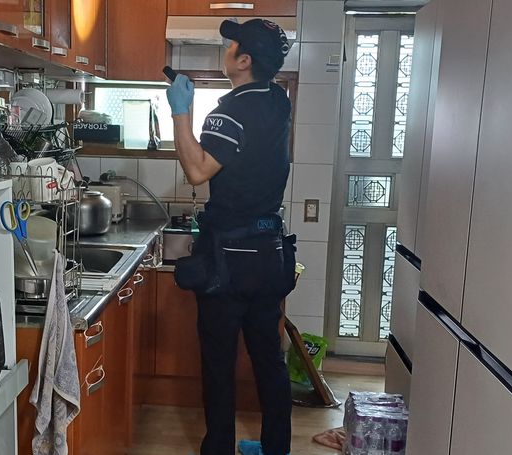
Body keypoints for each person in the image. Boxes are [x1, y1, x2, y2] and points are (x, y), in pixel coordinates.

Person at [165, 18, 294, 455]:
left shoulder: (229, 112)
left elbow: (197, 171)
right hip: (269, 254)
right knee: (269, 360)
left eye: (231, 45)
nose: (226, 50)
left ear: (244, 60)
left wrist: (180, 111)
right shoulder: (278, 102)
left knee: (219, 364)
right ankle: (276, 449)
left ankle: (218, 449)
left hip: (228, 262)